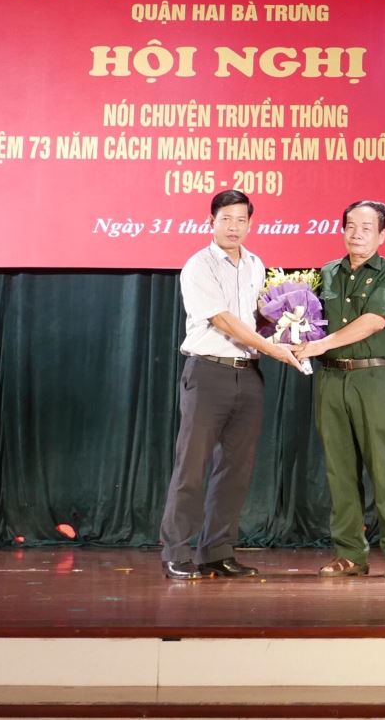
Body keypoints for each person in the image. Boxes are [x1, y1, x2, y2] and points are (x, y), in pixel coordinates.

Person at [159, 189, 299, 580]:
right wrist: (272, 349)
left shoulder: (255, 264)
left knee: (236, 468)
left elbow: (259, 317)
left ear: (250, 224)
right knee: (192, 466)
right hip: (209, 373)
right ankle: (176, 552)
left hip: (249, 375)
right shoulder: (198, 266)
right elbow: (223, 320)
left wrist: (292, 326)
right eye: (226, 219)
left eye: (241, 220)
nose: (233, 227)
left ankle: (217, 551)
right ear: (211, 222)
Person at [297, 200, 385, 578]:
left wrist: (320, 344)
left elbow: (374, 321)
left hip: (374, 378)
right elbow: (309, 318)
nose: (357, 234)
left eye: (366, 228)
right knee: (339, 469)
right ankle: (350, 553)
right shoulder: (327, 272)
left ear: (382, 235)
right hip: (331, 379)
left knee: (383, 465)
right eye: (350, 226)